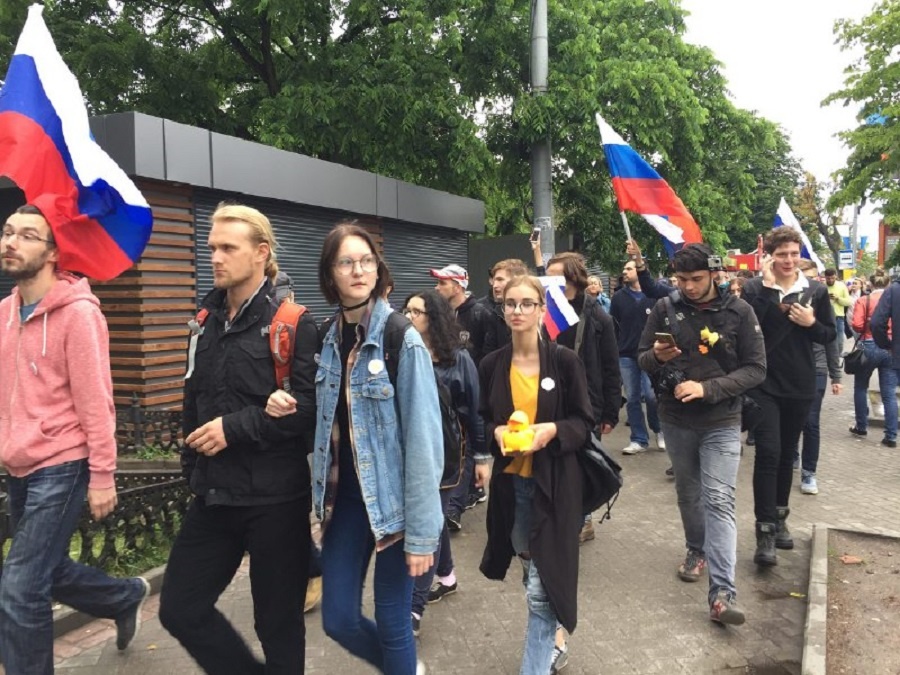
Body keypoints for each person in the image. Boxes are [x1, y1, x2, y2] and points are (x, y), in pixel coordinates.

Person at [159, 204, 320, 674]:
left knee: (277, 625)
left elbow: (308, 410)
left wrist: (234, 428)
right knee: (179, 608)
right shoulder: (204, 321)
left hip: (276, 501)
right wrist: (192, 468)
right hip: (214, 496)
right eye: (212, 247)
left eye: (228, 248)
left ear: (260, 253)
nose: (215, 257)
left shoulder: (293, 322)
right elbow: (192, 397)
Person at [286, 221, 442, 675]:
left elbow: (424, 442)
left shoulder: (400, 338)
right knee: (338, 620)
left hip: (396, 504)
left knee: (394, 621)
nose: (358, 270)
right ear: (329, 274)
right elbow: (324, 420)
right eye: (346, 262)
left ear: (378, 269)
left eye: (366, 261)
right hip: (346, 504)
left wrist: (422, 535)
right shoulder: (327, 338)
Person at [0, 204, 150, 675]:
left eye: (27, 235)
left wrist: (103, 474)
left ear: (52, 253)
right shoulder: (4, 312)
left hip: (63, 462)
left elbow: (96, 401)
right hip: (19, 461)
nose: (10, 242)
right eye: (7, 232)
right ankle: (124, 597)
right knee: (49, 569)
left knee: (21, 587)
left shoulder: (79, 315)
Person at [638, 243, 766, 625]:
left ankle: (723, 594)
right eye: (682, 279)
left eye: (696, 279)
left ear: (714, 273)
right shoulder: (664, 308)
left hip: (722, 420)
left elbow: (756, 369)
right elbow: (641, 357)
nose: (689, 286)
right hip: (675, 419)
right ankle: (697, 549)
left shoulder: (740, 311)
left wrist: (707, 389)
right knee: (688, 492)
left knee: (719, 500)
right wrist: (657, 357)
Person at [479, 275, 594, 675]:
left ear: (542, 310)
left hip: (555, 487)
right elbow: (482, 420)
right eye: (510, 303)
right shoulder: (491, 364)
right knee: (532, 572)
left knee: (541, 595)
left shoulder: (563, 362)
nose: (517, 311)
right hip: (513, 489)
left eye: (527, 303)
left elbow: (583, 422)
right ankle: (554, 629)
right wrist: (496, 433)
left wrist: (552, 431)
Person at [741, 228, 835, 567]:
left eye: (794, 253)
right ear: (770, 256)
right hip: (763, 383)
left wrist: (811, 323)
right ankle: (764, 531)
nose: (789, 260)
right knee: (768, 452)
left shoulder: (815, 290)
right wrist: (768, 290)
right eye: (782, 254)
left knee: (786, 455)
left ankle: (780, 518)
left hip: (799, 384)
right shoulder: (754, 288)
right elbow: (748, 329)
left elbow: (829, 335)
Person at [402, 290, 489, 638]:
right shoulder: (403, 353)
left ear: (434, 318)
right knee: (434, 519)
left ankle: (414, 607)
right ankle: (448, 576)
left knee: (427, 524)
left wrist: (481, 458)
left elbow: (476, 412)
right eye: (406, 310)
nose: (408, 317)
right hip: (412, 454)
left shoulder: (458, 359)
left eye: (416, 312)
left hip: (448, 455)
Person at [545, 252, 621, 543]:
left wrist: (610, 412)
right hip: (549, 400)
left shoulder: (598, 316)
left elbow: (610, 366)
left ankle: (581, 521)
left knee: (581, 465)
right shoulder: (545, 310)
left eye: (556, 276)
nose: (549, 282)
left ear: (573, 278)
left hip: (586, 403)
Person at [796, 260, 843, 496]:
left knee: (811, 422)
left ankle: (809, 472)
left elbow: (831, 340)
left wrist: (836, 376)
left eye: (814, 278)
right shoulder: (785, 302)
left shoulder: (823, 301)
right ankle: (791, 454)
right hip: (790, 369)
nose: (811, 284)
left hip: (817, 369)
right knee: (789, 419)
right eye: (805, 278)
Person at [609, 258, 664, 454]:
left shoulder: (654, 296)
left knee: (651, 396)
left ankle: (659, 430)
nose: (625, 271)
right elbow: (614, 326)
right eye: (624, 268)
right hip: (626, 354)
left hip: (651, 354)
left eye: (629, 268)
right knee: (632, 397)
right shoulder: (618, 298)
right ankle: (639, 439)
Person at [849, 267, 895, 447]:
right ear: (888, 283)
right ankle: (891, 435)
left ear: (870, 284)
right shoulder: (894, 300)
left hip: (868, 345)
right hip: (890, 347)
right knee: (889, 392)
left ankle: (861, 426)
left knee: (861, 386)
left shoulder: (864, 300)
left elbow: (857, 324)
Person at [482, 258, 529, 355]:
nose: (495, 285)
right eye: (494, 280)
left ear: (516, 280)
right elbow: (489, 353)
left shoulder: (536, 312)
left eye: (500, 280)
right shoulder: (496, 315)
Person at [824, 268, 851, 353]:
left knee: (840, 340)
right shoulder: (822, 286)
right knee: (828, 339)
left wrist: (838, 298)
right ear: (825, 277)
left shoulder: (841, 286)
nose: (830, 280)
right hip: (826, 317)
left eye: (832, 278)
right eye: (828, 278)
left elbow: (848, 302)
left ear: (836, 276)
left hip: (839, 317)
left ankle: (838, 355)